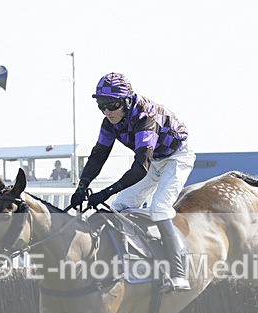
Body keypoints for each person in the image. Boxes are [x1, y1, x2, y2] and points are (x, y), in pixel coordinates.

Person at [70, 72, 195, 291]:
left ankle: (179, 273)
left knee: (160, 208)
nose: (107, 111)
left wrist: (106, 192)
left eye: (112, 104)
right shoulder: (109, 121)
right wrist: (83, 185)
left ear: (127, 101)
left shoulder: (145, 117)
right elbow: (99, 154)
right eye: (101, 105)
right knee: (119, 207)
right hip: (153, 160)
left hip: (176, 157)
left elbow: (140, 168)